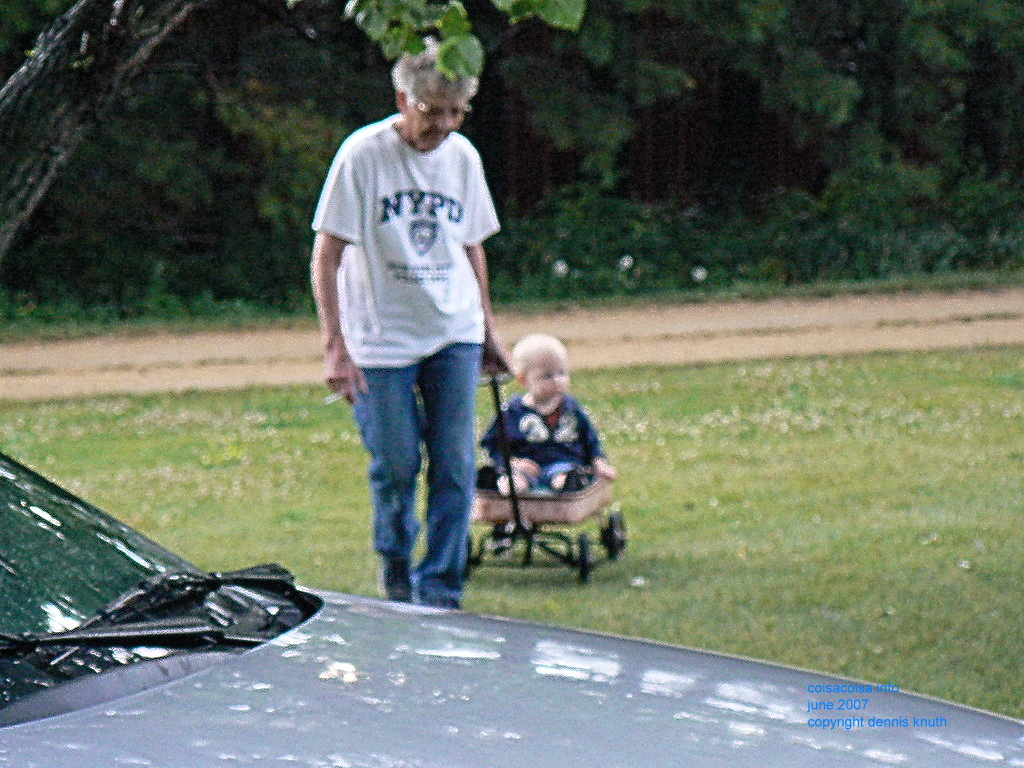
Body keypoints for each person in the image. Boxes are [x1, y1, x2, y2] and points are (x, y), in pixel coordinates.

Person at [310, 39, 510, 610]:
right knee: (397, 465)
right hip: (380, 341)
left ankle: (441, 591)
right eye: (432, 111)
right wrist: (335, 347)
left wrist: (488, 329)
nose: (444, 126)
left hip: (454, 333)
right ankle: (396, 564)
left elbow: (471, 245)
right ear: (403, 99)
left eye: (456, 112)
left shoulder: (462, 157)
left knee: (456, 466)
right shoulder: (362, 156)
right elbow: (326, 255)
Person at [480, 333, 617, 496]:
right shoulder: (512, 412)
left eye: (562, 373)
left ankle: (570, 484)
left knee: (563, 478)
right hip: (527, 469)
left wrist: (599, 463)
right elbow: (492, 444)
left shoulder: (571, 408)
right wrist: (512, 463)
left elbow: (590, 440)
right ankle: (502, 489)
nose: (557, 380)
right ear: (524, 380)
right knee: (513, 483)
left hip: (564, 465)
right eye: (547, 376)